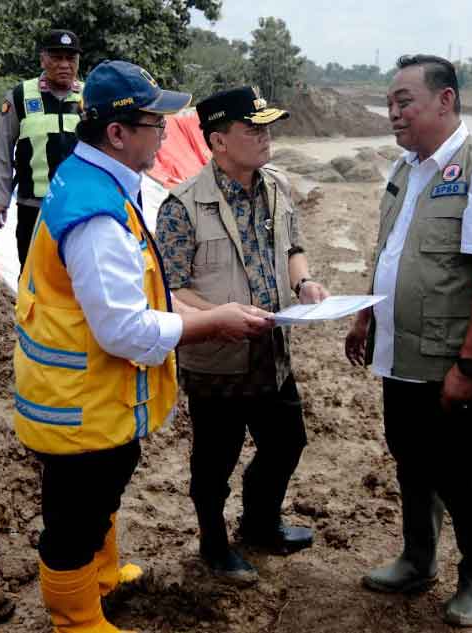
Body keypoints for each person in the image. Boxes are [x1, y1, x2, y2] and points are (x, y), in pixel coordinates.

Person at [13, 60, 274, 633]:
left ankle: (101, 581)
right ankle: (77, 620)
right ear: (117, 133)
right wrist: (211, 323)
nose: (164, 134)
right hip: (77, 405)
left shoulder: (95, 180)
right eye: (156, 123)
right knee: (73, 521)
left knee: (100, 496)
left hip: (89, 398)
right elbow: (123, 330)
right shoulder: (97, 215)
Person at [344, 55, 472, 627]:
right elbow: (391, 252)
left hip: (451, 364)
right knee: (410, 461)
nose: (394, 112)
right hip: (401, 355)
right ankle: (418, 559)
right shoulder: (405, 168)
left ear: (445, 101)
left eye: (405, 101)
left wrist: (469, 365)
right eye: (390, 102)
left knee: (459, 474)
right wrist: (366, 315)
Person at [155, 86, 329, 585]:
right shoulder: (182, 206)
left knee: (287, 442)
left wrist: (304, 281)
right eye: (253, 129)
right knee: (215, 461)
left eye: (267, 127)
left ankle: (259, 523)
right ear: (218, 141)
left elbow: (293, 245)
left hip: (271, 351)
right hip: (217, 358)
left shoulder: (275, 187)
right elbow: (169, 289)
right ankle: (214, 546)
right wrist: (221, 315)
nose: (265, 137)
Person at [0, 29, 83, 271]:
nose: (64, 65)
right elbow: (2, 148)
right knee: (31, 272)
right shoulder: (20, 96)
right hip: (34, 207)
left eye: (70, 59)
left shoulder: (89, 97)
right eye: (56, 58)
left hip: (80, 205)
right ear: (42, 60)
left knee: (77, 274)